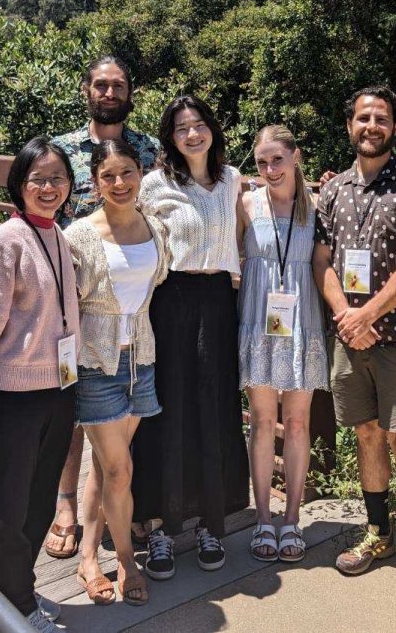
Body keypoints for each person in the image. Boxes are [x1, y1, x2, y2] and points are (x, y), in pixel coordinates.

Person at [311, 85, 396, 615]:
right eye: (363, 117)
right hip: (348, 336)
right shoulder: (332, 190)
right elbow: (321, 259)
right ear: (349, 125)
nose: (372, 126)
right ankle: (377, 532)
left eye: (381, 118)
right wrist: (347, 315)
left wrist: (369, 314)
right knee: (367, 435)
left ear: (395, 127)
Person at [0, 136, 79, 633]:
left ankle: (19, 593)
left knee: (40, 500)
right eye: (38, 179)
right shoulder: (3, 243)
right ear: (19, 185)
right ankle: (14, 611)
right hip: (13, 394)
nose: (49, 188)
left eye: (58, 178)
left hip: (58, 388)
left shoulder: (58, 236)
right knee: (8, 506)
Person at [46, 54, 160, 560]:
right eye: (100, 85)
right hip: (75, 292)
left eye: (118, 85)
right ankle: (66, 502)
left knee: (116, 418)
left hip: (130, 288)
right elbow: (38, 199)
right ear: (86, 89)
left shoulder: (148, 148)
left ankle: (116, 503)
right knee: (76, 410)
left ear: (129, 91)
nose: (109, 93)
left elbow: (170, 197)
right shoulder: (64, 149)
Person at [131, 94, 250, 580]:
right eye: (181, 128)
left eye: (199, 125)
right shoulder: (155, 183)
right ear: (170, 137)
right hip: (171, 299)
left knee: (214, 406)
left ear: (212, 129)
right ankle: (158, 525)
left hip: (219, 299)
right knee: (166, 407)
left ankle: (208, 522)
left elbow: (256, 221)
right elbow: (130, 235)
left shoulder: (233, 180)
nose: (192, 134)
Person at [63, 139, 167, 607]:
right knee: (120, 469)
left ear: (141, 172)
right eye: (109, 176)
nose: (120, 183)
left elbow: (155, 281)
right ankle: (125, 559)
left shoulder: (154, 227)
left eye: (127, 172)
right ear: (95, 181)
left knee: (107, 466)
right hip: (95, 362)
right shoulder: (80, 235)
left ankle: (88, 554)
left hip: (138, 359)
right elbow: (63, 304)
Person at [238, 125, 329, 563]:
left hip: (302, 322)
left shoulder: (318, 205)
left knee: (296, 422)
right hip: (259, 319)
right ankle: (262, 519)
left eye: (278, 159)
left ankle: (291, 518)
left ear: (295, 157)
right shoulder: (245, 204)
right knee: (260, 421)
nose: (270, 169)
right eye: (262, 162)